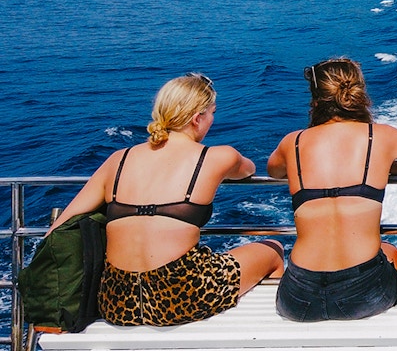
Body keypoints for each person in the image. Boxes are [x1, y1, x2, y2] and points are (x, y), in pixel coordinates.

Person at [46, 73, 285, 326]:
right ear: (197, 118)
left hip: (117, 300)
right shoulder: (219, 156)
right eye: (212, 112)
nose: (213, 120)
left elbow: (61, 225)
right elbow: (247, 170)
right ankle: (264, 332)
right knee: (273, 250)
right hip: (180, 297)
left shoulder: (119, 158)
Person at [268, 57, 397, 321]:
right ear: (358, 93)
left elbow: (274, 170)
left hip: (299, 298)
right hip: (362, 295)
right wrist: (384, 168)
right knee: (388, 250)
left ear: (316, 99)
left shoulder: (293, 142)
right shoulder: (381, 136)